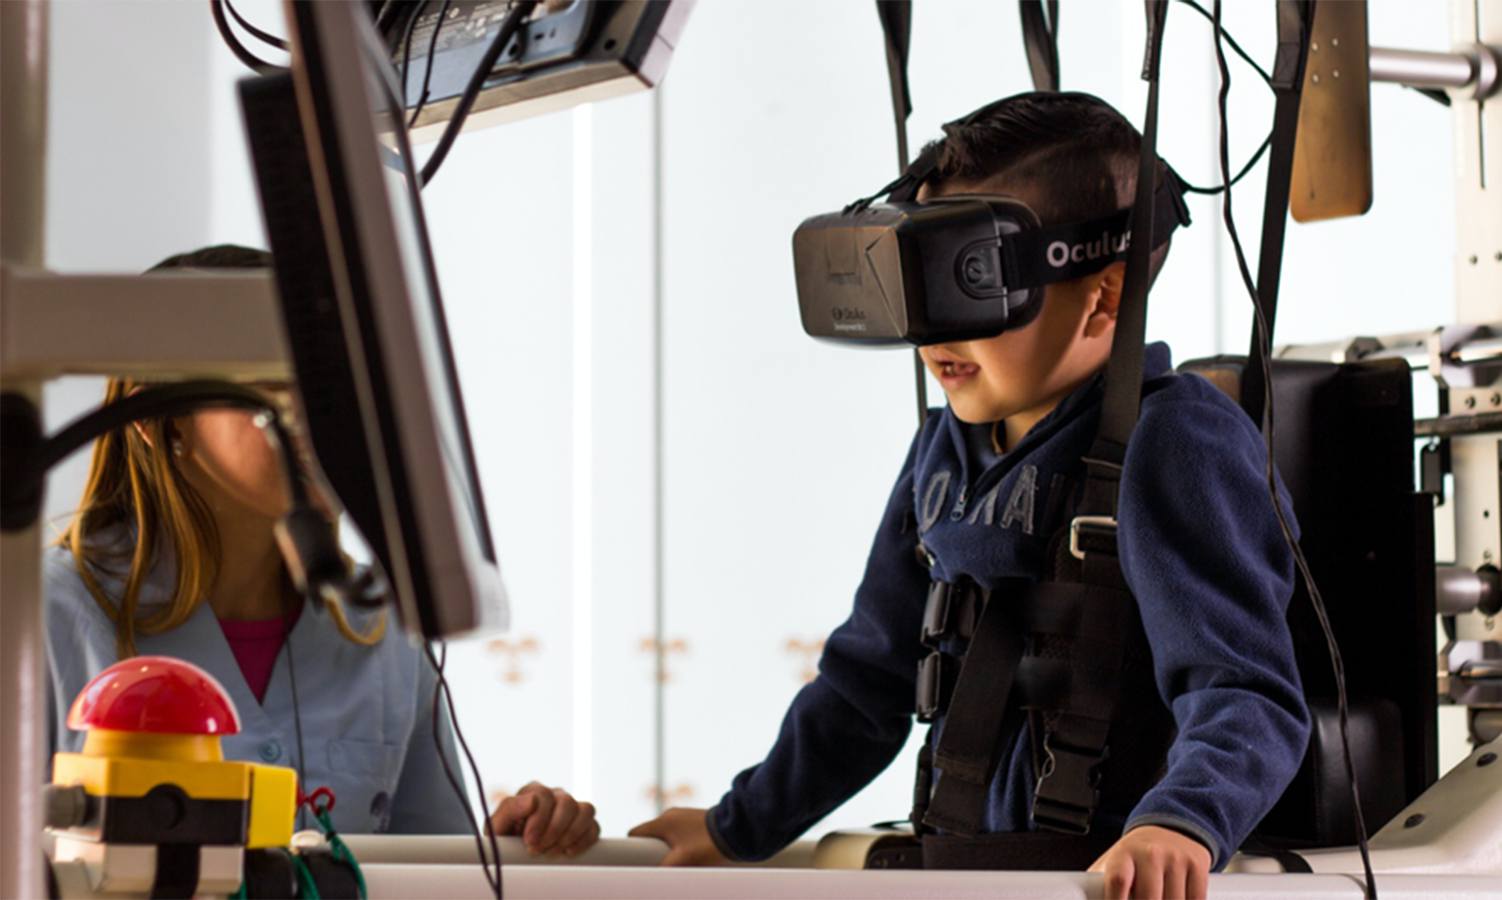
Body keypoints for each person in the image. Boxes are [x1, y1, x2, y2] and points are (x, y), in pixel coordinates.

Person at [630, 92, 1311, 899]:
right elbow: (864, 686)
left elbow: (1244, 690)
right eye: (920, 286)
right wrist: (734, 827)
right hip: (963, 874)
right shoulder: (941, 448)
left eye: (970, 286)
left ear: (1102, 296)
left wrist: (1181, 823)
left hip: (1099, 884)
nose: (932, 334)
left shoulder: (1174, 441)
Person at [44, 245, 598, 854]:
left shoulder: (383, 629)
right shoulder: (43, 617)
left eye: (338, 390)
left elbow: (433, 875)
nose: (326, 422)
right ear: (159, 418)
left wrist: (510, 844)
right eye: (274, 389)